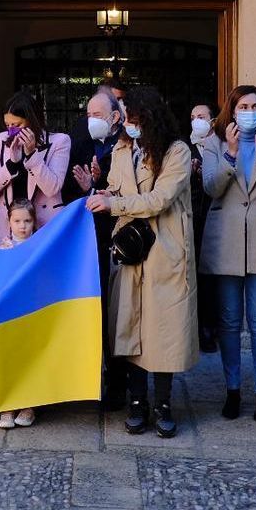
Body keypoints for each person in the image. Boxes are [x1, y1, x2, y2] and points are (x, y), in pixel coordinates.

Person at [87, 85, 197, 439]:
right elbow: (119, 190)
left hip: (164, 252)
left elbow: (160, 198)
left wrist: (114, 204)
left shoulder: (176, 151)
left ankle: (163, 404)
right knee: (130, 326)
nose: (127, 124)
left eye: (133, 118)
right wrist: (104, 194)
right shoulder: (121, 149)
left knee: (161, 331)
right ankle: (137, 403)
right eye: (125, 118)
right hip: (130, 250)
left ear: (147, 117)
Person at [199, 85, 256, 423]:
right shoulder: (215, 144)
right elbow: (211, 187)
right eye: (243, 105)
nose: (250, 110)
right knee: (228, 321)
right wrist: (231, 154)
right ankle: (233, 390)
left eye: (255, 105)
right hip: (226, 244)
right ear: (232, 110)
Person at [62, 89, 128, 408]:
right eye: (88, 114)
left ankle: (119, 383)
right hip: (89, 241)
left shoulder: (127, 145)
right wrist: (88, 186)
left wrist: (100, 187)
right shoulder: (82, 144)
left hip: (120, 238)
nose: (92, 120)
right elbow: (70, 188)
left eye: (98, 115)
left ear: (116, 117)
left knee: (118, 314)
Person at [0, 91, 71, 248]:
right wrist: (11, 164)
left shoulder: (60, 141)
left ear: (32, 121)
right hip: (5, 227)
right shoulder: (2, 139)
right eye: (8, 125)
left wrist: (32, 157)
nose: (11, 131)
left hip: (43, 225)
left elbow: (53, 188)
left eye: (17, 125)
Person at [0, 200, 39, 428]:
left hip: (30, 313)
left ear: (34, 222)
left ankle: (29, 405)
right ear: (9, 222)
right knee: (7, 358)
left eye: (28, 221)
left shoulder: (41, 247)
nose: (22, 226)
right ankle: (6, 407)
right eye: (17, 221)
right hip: (8, 314)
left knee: (28, 358)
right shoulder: (2, 248)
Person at [187, 102, 219, 355]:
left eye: (202, 116)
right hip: (192, 219)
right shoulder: (183, 149)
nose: (197, 120)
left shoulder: (221, 146)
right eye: (193, 116)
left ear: (213, 120)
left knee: (212, 278)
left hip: (215, 218)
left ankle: (211, 329)